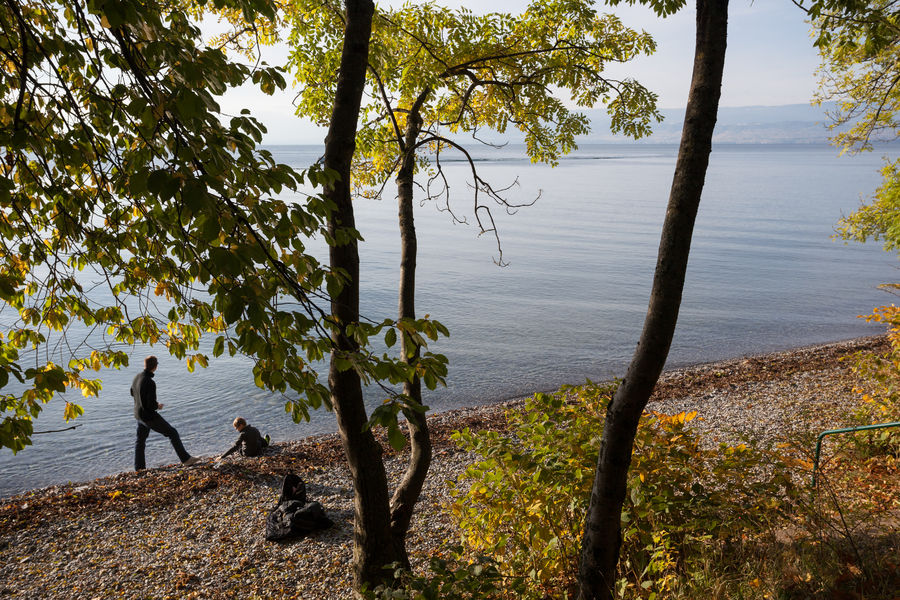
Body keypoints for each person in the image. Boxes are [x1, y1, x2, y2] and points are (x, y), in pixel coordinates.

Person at [132, 355, 199, 470]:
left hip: (138, 415)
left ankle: (139, 468)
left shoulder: (137, 377)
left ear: (145, 365)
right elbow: (151, 405)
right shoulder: (150, 382)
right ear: (155, 366)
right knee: (172, 433)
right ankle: (186, 459)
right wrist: (158, 406)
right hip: (149, 417)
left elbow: (132, 393)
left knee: (140, 441)